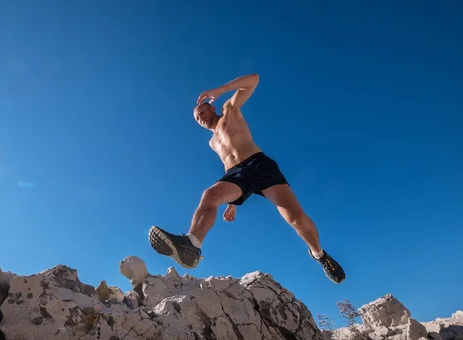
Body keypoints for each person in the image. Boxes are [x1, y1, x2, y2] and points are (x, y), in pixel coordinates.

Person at [148, 73, 346, 283]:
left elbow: (254, 80)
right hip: (237, 175)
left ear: (211, 107)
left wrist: (220, 90)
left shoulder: (229, 111)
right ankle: (192, 244)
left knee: (296, 219)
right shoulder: (212, 143)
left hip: (260, 165)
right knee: (210, 195)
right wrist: (233, 203)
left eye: (202, 112)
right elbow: (230, 167)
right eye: (197, 118)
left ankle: (319, 254)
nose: (201, 118)